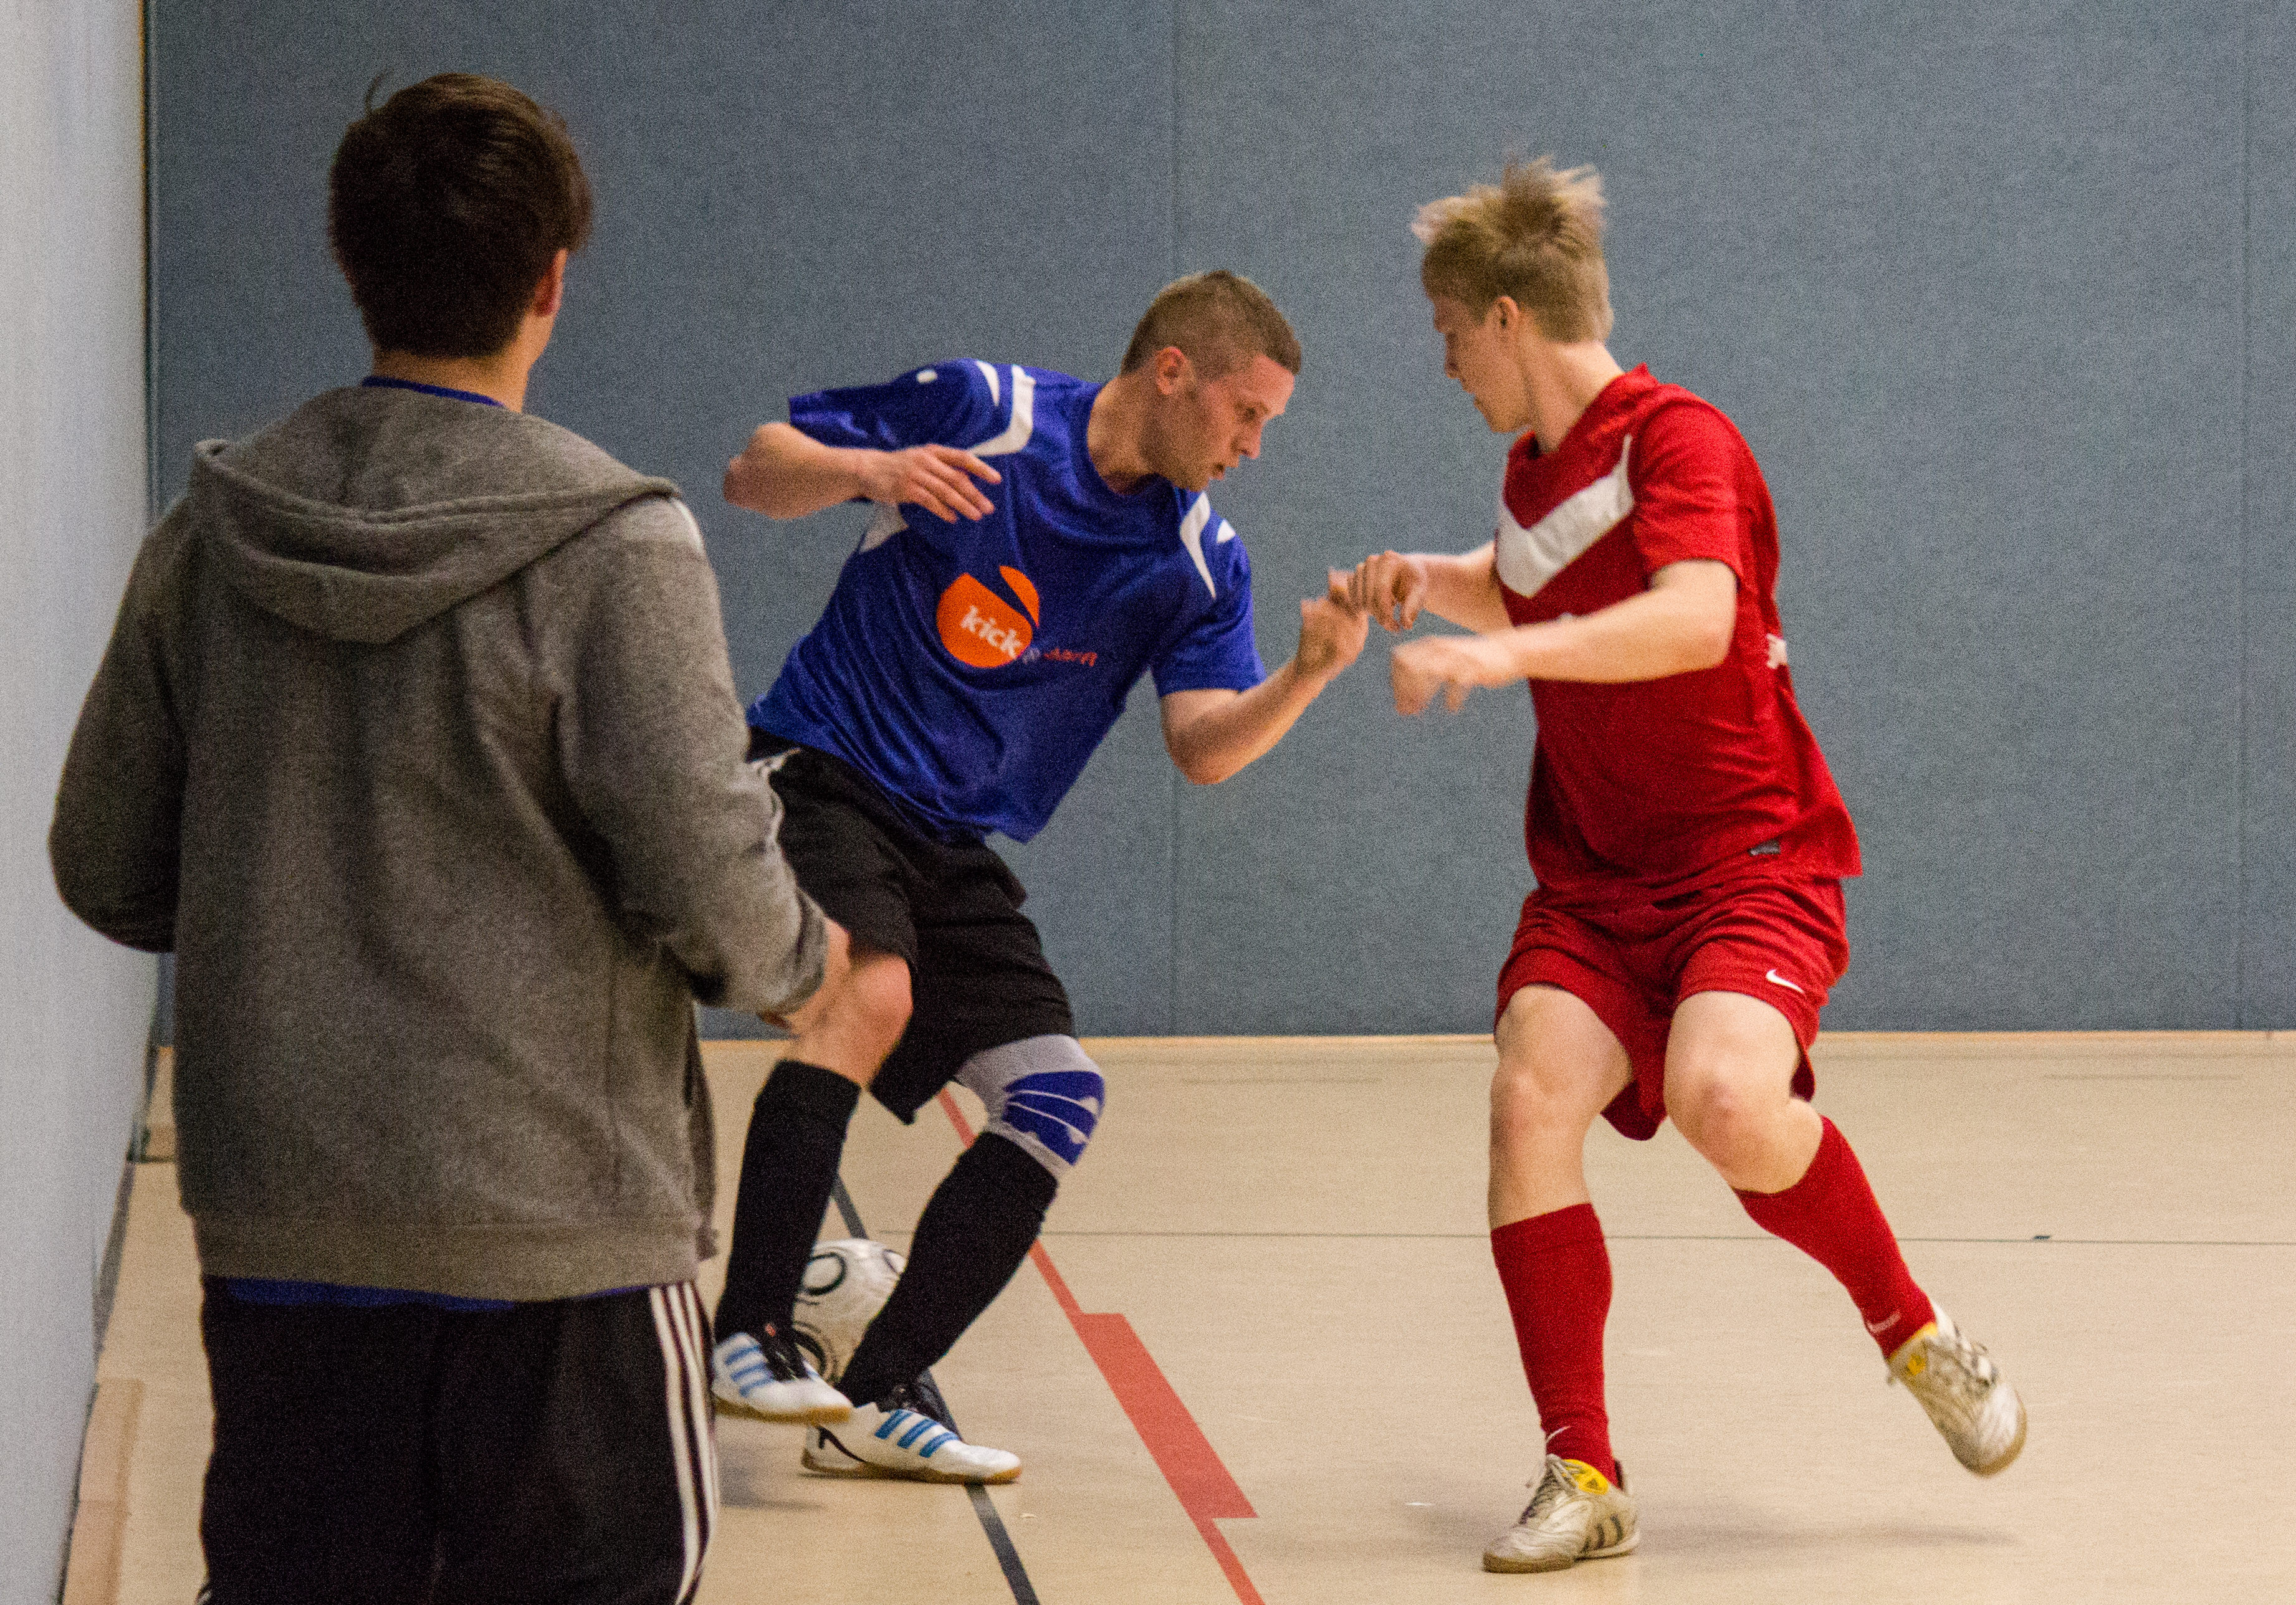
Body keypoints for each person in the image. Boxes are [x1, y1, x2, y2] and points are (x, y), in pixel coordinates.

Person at [49, 74, 836, 1604]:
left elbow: (104, 860)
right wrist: (807, 963)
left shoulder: (210, 535)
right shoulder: (617, 545)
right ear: (551, 284)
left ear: (352, 263)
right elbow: (713, 883)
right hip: (559, 1243)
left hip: (282, 1221)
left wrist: (284, 899)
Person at [1342, 158, 2026, 1574]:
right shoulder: (1534, 473)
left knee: (1728, 1100)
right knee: (1530, 1091)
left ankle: (1911, 1329)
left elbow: (1693, 618)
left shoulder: (1682, 439)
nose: (1445, 361)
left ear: (1510, 317)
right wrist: (1435, 580)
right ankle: (1583, 1470)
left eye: (1452, 332)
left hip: (1747, 860)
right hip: (1596, 885)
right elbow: (1537, 575)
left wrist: (1502, 657)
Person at [708, 269, 1368, 1482]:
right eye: (1246, 413)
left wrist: (1310, 672)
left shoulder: (1197, 558)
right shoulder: (990, 413)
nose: (1253, 447)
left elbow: (1204, 747)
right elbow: (755, 471)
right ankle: (747, 1332)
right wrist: (872, 471)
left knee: (1056, 1095)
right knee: (873, 991)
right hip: (824, 770)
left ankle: (876, 1393)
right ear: (1173, 370)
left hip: (948, 841)